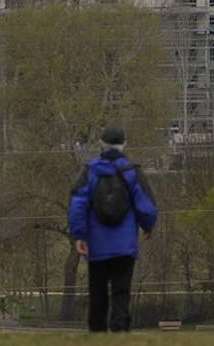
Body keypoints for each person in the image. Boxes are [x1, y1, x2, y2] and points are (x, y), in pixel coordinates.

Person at [69, 125, 158, 333]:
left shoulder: (89, 171)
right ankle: (120, 330)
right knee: (121, 290)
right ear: (124, 144)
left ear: (101, 143)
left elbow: (78, 204)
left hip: (97, 245)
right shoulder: (131, 172)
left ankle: (97, 331)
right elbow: (145, 203)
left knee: (97, 291)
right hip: (124, 244)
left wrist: (79, 235)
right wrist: (148, 225)